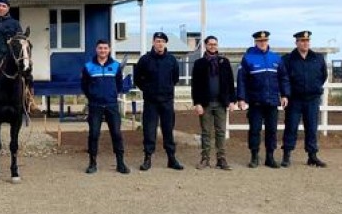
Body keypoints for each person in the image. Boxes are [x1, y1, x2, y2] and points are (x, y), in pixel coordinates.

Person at [236, 30, 290, 168]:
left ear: (268, 41)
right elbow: (242, 80)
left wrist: (285, 95)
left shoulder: (276, 58)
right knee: (254, 130)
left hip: (272, 101)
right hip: (255, 101)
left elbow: (283, 78)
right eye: (260, 41)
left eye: (265, 40)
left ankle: (270, 157)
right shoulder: (248, 58)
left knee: (272, 130)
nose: (262, 43)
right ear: (255, 42)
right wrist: (241, 98)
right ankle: (254, 157)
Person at [134, 32, 183, 171]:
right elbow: (137, 78)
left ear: (165, 43)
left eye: (162, 41)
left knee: (168, 130)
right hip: (151, 102)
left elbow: (175, 78)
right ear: (153, 42)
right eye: (157, 41)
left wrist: (167, 89)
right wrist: (147, 89)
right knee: (149, 130)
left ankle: (171, 159)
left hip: (167, 101)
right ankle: (147, 158)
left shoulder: (172, 60)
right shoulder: (145, 60)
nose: (160, 43)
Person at [81, 39, 130, 175]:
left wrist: (112, 95)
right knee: (94, 134)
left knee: (116, 134)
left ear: (109, 50)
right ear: (96, 49)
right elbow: (84, 85)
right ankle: (92, 163)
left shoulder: (115, 66)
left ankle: (120, 163)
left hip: (111, 105)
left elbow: (119, 84)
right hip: (95, 105)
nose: (103, 50)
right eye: (100, 48)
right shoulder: (88, 66)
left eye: (105, 48)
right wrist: (92, 96)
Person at [281, 30, 328, 168]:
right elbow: (284, 78)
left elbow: (323, 76)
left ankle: (312, 156)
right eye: (302, 41)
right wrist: (286, 94)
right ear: (296, 43)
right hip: (294, 99)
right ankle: (287, 154)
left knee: (312, 127)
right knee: (291, 127)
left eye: (307, 41)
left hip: (312, 99)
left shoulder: (317, 58)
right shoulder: (288, 59)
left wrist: (315, 88)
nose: (305, 43)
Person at [191, 35, 236, 170]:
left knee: (221, 131)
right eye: (210, 44)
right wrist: (197, 102)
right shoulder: (199, 63)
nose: (213, 46)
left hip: (221, 103)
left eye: (215, 44)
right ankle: (205, 158)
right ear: (205, 45)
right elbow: (195, 85)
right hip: (205, 103)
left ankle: (221, 159)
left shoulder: (224, 62)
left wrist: (232, 100)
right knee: (206, 132)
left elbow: (230, 82)